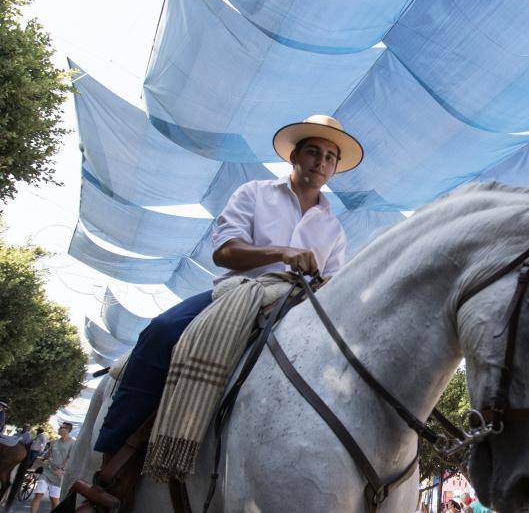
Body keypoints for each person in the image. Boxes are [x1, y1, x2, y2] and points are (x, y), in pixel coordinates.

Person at [93, 114, 363, 459]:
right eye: (313, 152)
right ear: (294, 156)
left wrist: (326, 284)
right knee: (161, 332)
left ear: (335, 168)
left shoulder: (334, 229)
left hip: (297, 310)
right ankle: (111, 457)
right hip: (238, 294)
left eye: (330, 157)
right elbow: (224, 252)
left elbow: (332, 283)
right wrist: (282, 251)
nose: (321, 162)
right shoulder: (254, 193)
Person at [31, 422, 74, 513]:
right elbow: (47, 455)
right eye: (60, 427)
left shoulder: (72, 443)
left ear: (67, 430)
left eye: (62, 427)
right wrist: (41, 457)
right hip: (47, 471)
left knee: (54, 500)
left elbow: (71, 458)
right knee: (38, 494)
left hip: (59, 475)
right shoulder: (54, 442)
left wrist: (62, 469)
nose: (59, 428)